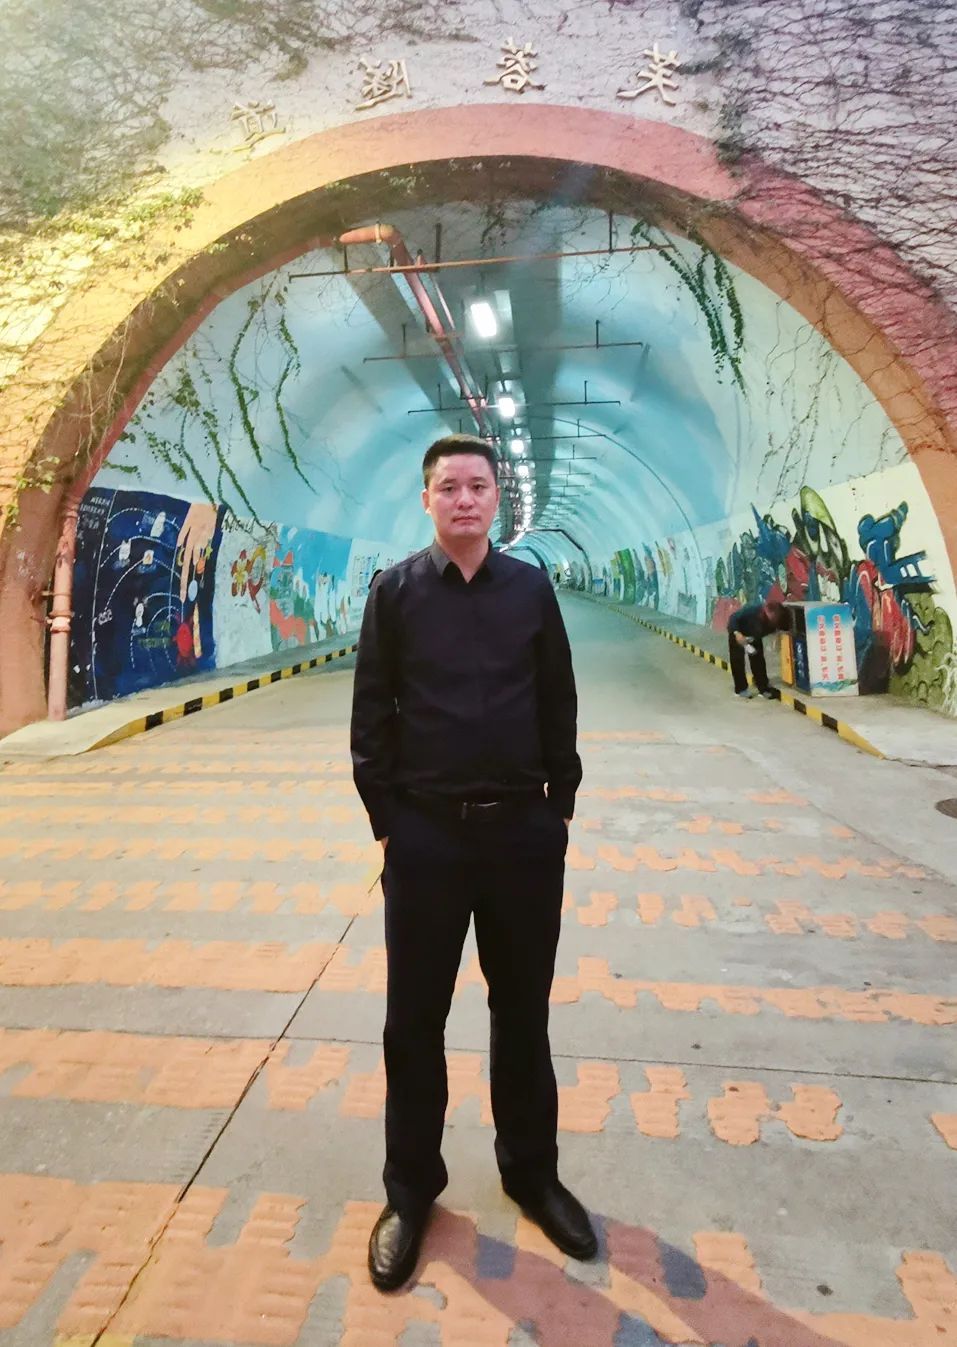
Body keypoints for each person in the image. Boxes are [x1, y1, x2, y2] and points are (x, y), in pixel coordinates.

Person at [351, 433, 595, 1292]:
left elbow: (558, 694)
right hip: (426, 837)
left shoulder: (530, 588)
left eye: (477, 486)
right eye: (448, 486)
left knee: (521, 1011)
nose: (463, 499)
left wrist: (559, 805)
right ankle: (409, 1191)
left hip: (522, 834)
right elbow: (371, 711)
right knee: (412, 1021)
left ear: (497, 499)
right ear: (426, 499)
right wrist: (387, 820)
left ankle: (531, 1173)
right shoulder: (394, 592)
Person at [727, 598, 790, 698]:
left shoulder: (778, 618)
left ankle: (763, 687)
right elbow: (733, 618)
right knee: (737, 661)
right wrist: (737, 633)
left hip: (755, 636)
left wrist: (777, 638)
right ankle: (741, 689)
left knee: (758, 660)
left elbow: (780, 629)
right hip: (738, 632)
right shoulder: (752, 610)